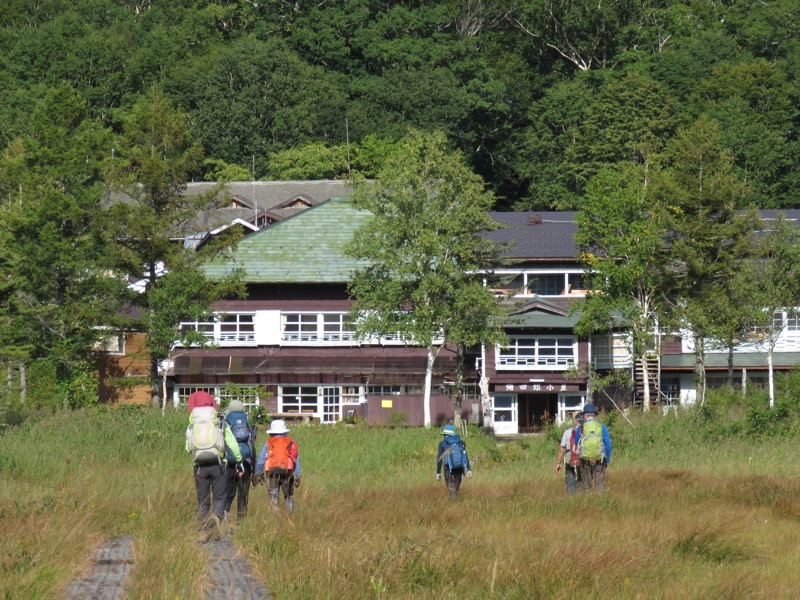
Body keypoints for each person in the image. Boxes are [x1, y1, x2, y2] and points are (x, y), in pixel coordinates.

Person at [185, 391, 243, 532]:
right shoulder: (220, 421)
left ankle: (204, 528)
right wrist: (239, 460)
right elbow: (232, 443)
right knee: (219, 497)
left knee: (203, 499)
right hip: (219, 465)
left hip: (199, 467)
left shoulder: (192, 425)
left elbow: (188, 448)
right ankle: (217, 518)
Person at [254, 419, 301, 511]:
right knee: (289, 496)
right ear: (285, 432)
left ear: (271, 433)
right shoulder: (291, 443)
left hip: (272, 473)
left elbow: (260, 460)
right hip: (288, 472)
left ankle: (275, 516)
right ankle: (289, 515)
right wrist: (298, 476)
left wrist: (259, 473)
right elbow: (296, 460)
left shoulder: (268, 443)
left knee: (273, 497)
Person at [222, 399, 256, 518]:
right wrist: (255, 468)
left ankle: (224, 516)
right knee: (243, 493)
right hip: (246, 462)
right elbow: (252, 446)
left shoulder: (225, 422)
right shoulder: (246, 423)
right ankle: (241, 521)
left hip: (230, 463)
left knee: (228, 493)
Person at [576, 403, 612, 492]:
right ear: (594, 415)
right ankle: (601, 501)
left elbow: (576, 444)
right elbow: (608, 445)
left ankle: (586, 502)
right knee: (599, 482)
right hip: (599, 458)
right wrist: (606, 460)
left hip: (584, 459)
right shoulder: (602, 427)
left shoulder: (581, 428)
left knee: (586, 483)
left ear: (585, 416)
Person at [436, 424, 473, 498]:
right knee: (455, 489)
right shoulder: (461, 443)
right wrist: (469, 469)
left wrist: (438, 472)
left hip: (448, 468)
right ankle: (456, 504)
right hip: (460, 468)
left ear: (444, 434)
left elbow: (439, 459)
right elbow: (465, 456)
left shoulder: (442, 444)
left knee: (451, 490)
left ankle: (452, 505)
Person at [555, 412, 584, 496]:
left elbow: (562, 449)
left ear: (576, 421)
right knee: (582, 479)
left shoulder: (568, 432)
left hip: (570, 459)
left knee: (570, 479)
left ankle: (571, 498)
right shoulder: (585, 431)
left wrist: (558, 463)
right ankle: (582, 497)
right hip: (583, 459)